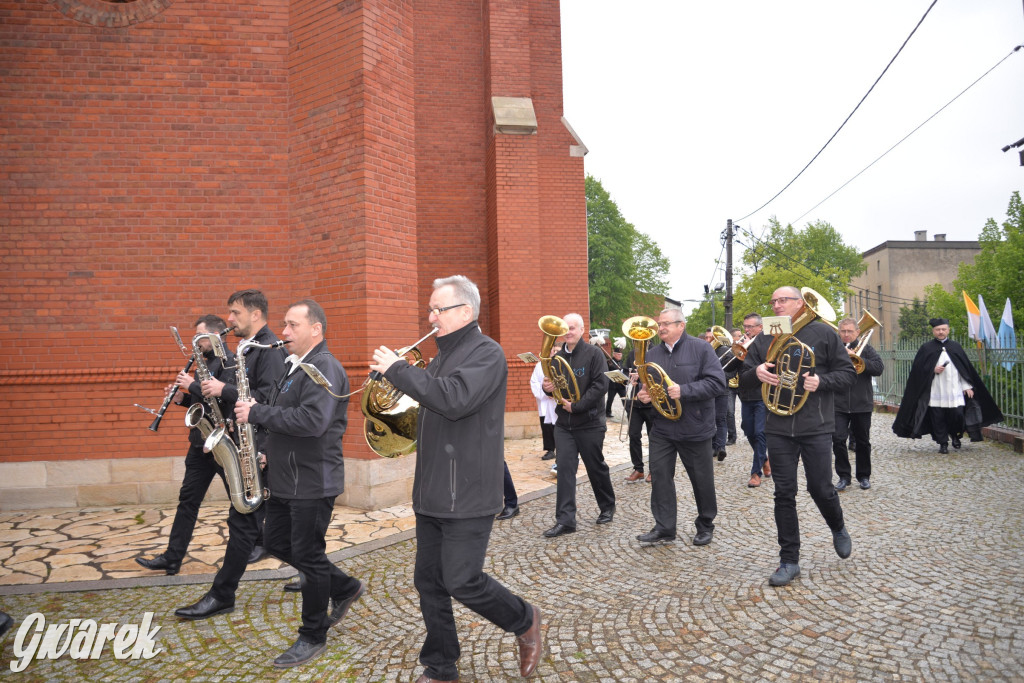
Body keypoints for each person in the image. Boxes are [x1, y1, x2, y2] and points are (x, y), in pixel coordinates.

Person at [370, 275, 542, 682]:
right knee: (428, 581)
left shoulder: (487, 353)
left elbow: (453, 399)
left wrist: (398, 369)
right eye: (430, 309)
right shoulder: (439, 357)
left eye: (438, 309)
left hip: (467, 491)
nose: (430, 317)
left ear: (464, 312)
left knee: (462, 580)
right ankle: (441, 665)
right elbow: (430, 403)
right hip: (431, 490)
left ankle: (524, 619)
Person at [234, 299, 363, 668]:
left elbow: (312, 422)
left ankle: (312, 634)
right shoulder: (295, 367)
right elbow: (287, 421)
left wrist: (256, 412)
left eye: (292, 325)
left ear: (315, 329)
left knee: (307, 556)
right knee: (275, 542)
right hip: (286, 475)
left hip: (313, 480)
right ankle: (346, 587)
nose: (284, 332)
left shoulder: (325, 368)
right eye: (285, 326)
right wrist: (267, 450)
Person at [174, 289, 288, 618]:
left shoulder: (267, 349)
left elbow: (269, 400)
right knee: (258, 527)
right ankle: (331, 581)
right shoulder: (245, 348)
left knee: (247, 524)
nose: (230, 319)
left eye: (235, 312)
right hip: (244, 443)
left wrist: (223, 389)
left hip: (260, 448)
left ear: (255, 314)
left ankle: (222, 594)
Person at [740, 287, 856, 587]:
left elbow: (847, 375)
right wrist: (758, 373)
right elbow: (743, 376)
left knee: (820, 488)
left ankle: (838, 526)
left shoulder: (824, 333)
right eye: (773, 301)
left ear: (800, 304)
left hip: (815, 424)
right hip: (778, 425)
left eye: (783, 300)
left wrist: (822, 380)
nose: (777, 305)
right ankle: (789, 560)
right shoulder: (765, 336)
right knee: (783, 493)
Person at [136, 315, 236, 576]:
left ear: (214, 336)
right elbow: (202, 401)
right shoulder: (204, 363)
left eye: (199, 337)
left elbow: (229, 398)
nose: (195, 343)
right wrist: (182, 398)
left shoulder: (231, 362)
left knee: (239, 503)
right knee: (188, 501)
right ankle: (172, 558)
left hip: (223, 444)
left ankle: (262, 545)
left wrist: (192, 385)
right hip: (200, 443)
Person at [635, 308, 724, 546]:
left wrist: (684, 391)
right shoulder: (652, 353)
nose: (660, 328)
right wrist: (644, 395)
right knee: (660, 477)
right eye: (659, 324)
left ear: (681, 325)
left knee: (701, 480)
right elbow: (649, 387)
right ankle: (664, 527)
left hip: (695, 426)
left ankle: (705, 525)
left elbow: (717, 383)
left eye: (666, 324)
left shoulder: (701, 348)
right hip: (663, 427)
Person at [542, 313, 616, 538]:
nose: (568, 332)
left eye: (572, 328)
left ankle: (607, 505)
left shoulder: (594, 354)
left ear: (582, 330)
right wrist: (548, 388)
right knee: (564, 469)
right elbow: (553, 388)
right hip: (564, 425)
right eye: (566, 328)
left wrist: (577, 406)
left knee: (595, 467)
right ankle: (565, 520)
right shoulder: (556, 358)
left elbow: (600, 385)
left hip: (590, 422)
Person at [893, 318, 1003, 453]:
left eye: (943, 329)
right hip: (935, 391)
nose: (941, 332)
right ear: (933, 331)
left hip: (955, 390)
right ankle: (943, 443)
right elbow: (918, 370)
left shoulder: (955, 347)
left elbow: (964, 369)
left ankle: (955, 435)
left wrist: (966, 386)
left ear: (948, 330)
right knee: (937, 418)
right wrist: (932, 370)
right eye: (938, 330)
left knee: (957, 415)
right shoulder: (926, 348)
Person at [832, 317, 884, 490]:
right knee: (838, 440)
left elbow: (879, 368)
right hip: (837, 403)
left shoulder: (866, 349)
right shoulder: (834, 349)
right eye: (843, 331)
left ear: (857, 332)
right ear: (839, 332)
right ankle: (843, 477)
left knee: (862, 441)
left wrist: (858, 358)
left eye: (849, 331)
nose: (846, 335)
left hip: (861, 403)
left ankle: (863, 476)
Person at [738, 314, 770, 488]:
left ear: (760, 327)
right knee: (749, 431)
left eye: (750, 327)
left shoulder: (766, 341)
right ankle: (764, 459)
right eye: (745, 326)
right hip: (745, 394)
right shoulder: (742, 343)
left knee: (759, 432)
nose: (747, 330)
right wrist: (739, 351)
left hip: (761, 393)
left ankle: (755, 472)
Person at [622, 344, 655, 484]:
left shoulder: (656, 352)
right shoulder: (632, 354)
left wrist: (641, 381)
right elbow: (625, 373)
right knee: (634, 435)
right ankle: (638, 469)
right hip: (635, 403)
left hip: (651, 403)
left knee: (654, 438)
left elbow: (658, 377)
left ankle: (654, 470)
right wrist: (627, 378)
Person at [529, 347, 559, 461]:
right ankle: (550, 449)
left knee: (559, 426)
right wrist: (546, 393)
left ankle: (562, 448)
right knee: (546, 426)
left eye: (557, 351)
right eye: (553, 350)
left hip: (558, 401)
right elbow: (534, 382)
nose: (554, 353)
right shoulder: (540, 366)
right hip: (546, 401)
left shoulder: (563, 364)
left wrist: (556, 394)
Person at [604, 338, 626, 418]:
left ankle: (628, 411)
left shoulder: (621, 362)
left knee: (625, 399)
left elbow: (624, 370)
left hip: (621, 384)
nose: (620, 356)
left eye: (620, 355)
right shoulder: (609, 362)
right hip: (612, 385)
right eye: (618, 354)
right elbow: (607, 372)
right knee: (610, 399)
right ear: (614, 354)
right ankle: (607, 412)